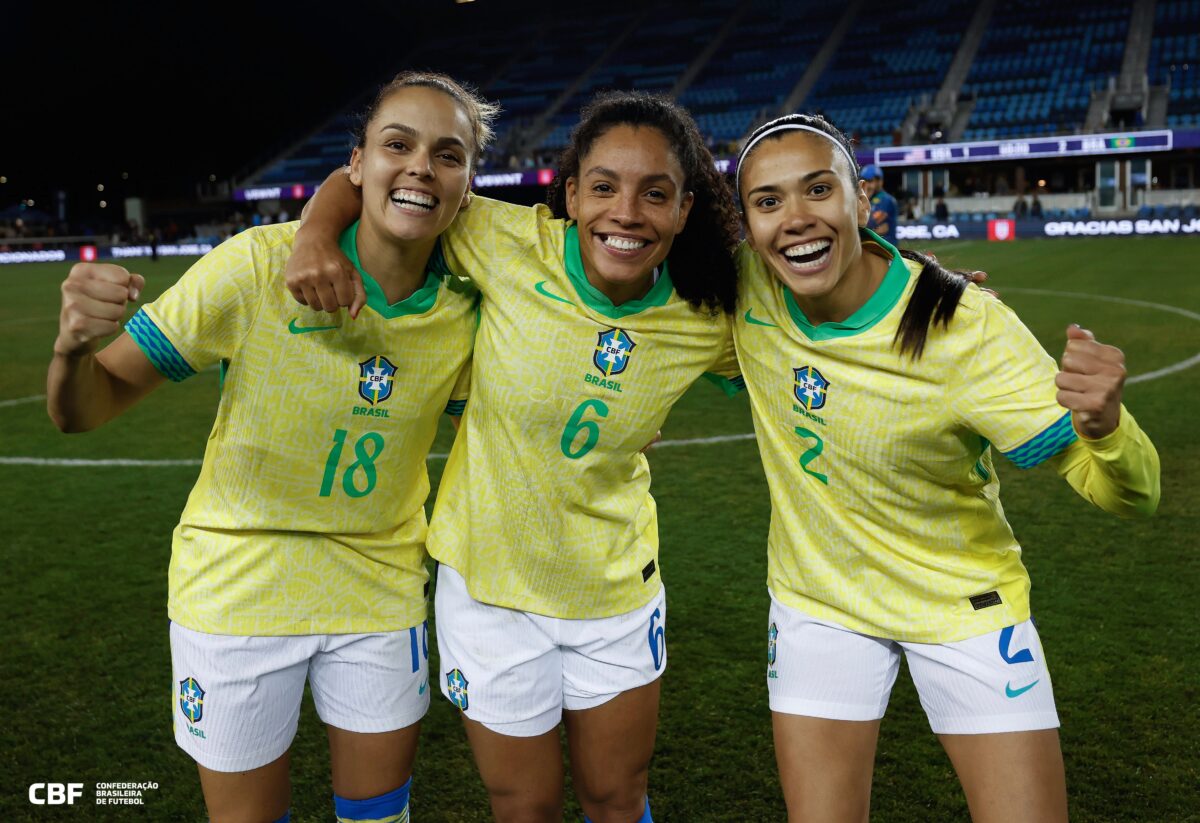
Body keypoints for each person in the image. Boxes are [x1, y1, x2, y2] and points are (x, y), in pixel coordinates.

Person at [47, 71, 497, 823]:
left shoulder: (466, 311)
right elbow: (84, 409)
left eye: (448, 155)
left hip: (377, 586)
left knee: (380, 818)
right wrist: (69, 352)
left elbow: (502, 429)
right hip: (236, 591)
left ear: (469, 186)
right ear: (356, 165)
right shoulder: (255, 265)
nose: (422, 165)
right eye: (398, 144)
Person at [284, 90, 742, 823]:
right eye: (603, 187)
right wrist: (313, 234)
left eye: (655, 193)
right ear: (569, 195)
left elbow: (823, 323)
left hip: (616, 592)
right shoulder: (505, 241)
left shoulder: (710, 313)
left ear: (686, 208)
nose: (625, 212)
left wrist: (912, 281)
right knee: (523, 806)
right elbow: (376, 179)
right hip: (490, 590)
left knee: (616, 799)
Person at [731, 114, 1160, 822]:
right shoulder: (747, 292)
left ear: (861, 200)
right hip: (820, 602)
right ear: (746, 223)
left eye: (818, 189)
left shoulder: (966, 327)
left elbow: (1127, 497)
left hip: (962, 604)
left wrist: (1106, 427)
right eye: (768, 201)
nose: (796, 218)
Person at [860, 164, 897, 245]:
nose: (866, 185)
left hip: (887, 250)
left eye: (870, 181)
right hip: (873, 248)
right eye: (864, 181)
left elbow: (869, 223)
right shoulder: (866, 198)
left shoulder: (886, 200)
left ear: (879, 181)